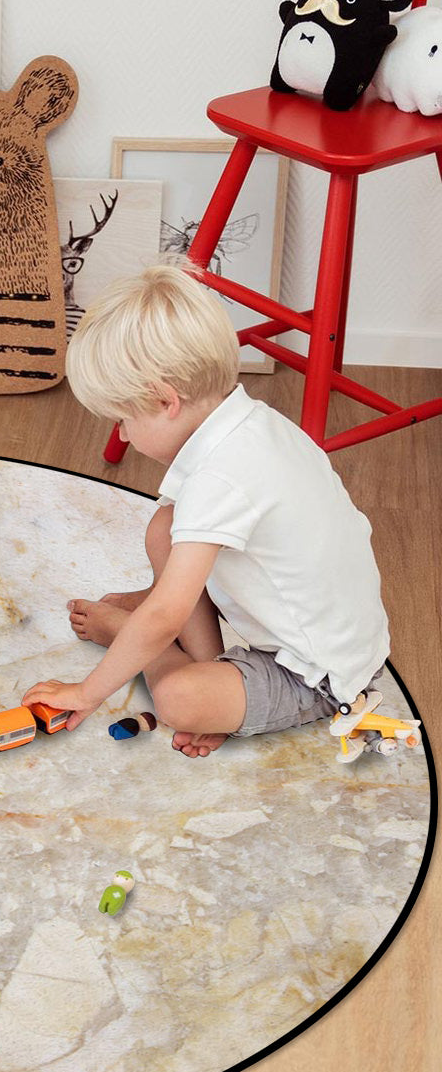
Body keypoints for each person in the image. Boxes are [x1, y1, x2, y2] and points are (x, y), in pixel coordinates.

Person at [22, 263, 389, 758]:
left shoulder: (219, 477)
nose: (123, 433)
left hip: (319, 675)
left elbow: (164, 617)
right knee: (167, 526)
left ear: (165, 401)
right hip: (334, 629)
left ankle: (141, 642)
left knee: (179, 698)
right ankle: (213, 668)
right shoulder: (254, 423)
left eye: (123, 418)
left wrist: (88, 692)